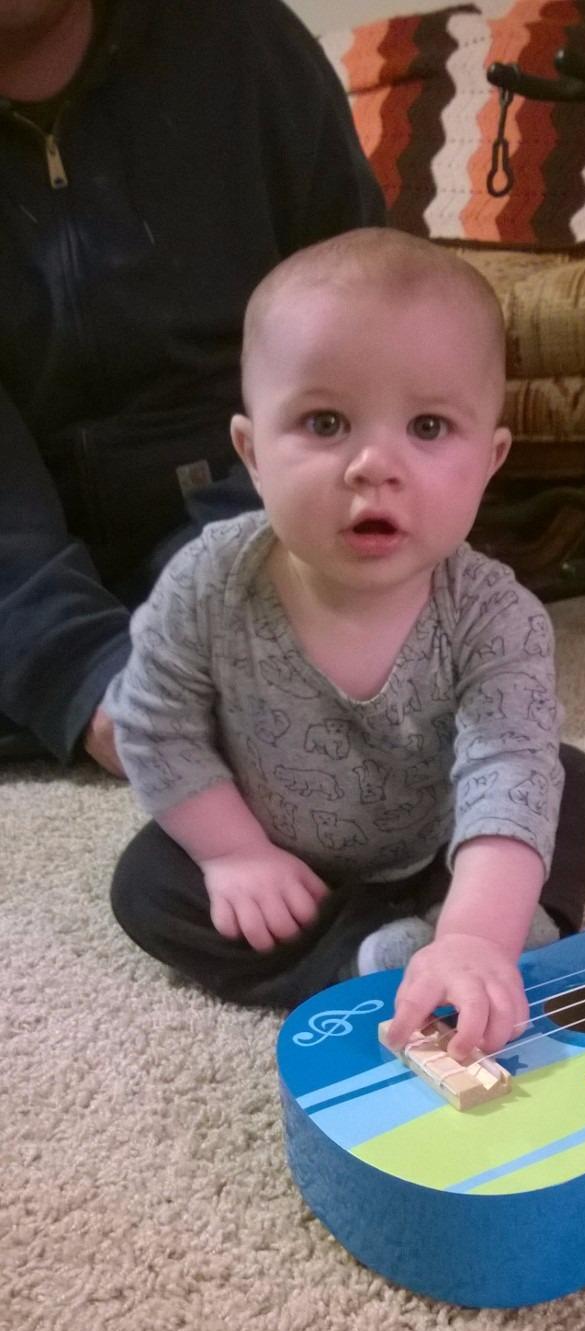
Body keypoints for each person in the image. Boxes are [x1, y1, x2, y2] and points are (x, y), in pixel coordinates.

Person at [106, 229, 585, 1060]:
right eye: (326, 422)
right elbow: (154, 726)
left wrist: (476, 933)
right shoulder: (207, 584)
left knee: (563, 781)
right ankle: (363, 963)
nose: (375, 464)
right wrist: (234, 854)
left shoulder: (498, 616)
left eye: (429, 426)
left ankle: (479, 944)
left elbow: (507, 771)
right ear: (251, 452)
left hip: (442, 845)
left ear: (491, 461)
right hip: (283, 859)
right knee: (148, 887)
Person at [0, 0, 386, 774]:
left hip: (254, 521)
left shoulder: (247, 43)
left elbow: (368, 342)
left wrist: (229, 581)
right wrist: (84, 674)